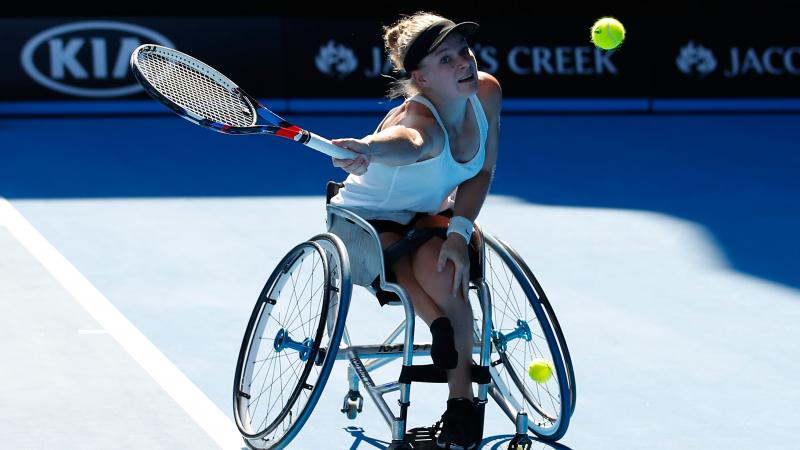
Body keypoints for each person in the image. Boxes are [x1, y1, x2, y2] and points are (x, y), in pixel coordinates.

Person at [329, 11, 501, 450]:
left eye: (462, 51)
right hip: (365, 221)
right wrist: (368, 148)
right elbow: (410, 143)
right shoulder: (421, 122)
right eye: (446, 59)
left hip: (425, 215)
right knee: (397, 260)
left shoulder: (486, 91)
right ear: (421, 79)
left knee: (449, 275)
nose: (464, 62)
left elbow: (481, 171)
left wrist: (460, 235)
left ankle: (461, 406)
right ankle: (437, 323)